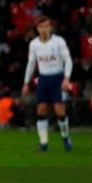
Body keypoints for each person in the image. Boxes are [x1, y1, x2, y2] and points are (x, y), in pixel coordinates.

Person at [22, 16, 73, 151]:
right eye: (41, 27)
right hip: (43, 79)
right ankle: (44, 144)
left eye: (46, 26)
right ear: (37, 29)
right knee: (41, 109)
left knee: (59, 110)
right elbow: (31, 64)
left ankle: (66, 138)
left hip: (58, 78)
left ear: (50, 27)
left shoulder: (58, 42)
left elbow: (68, 60)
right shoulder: (34, 44)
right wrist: (26, 82)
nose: (44, 29)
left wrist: (67, 78)